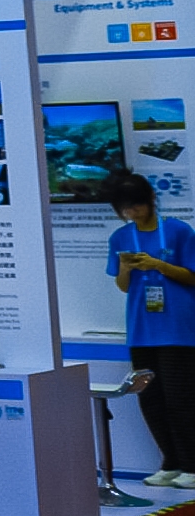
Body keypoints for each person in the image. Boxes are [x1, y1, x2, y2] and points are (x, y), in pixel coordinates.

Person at [106, 171, 195, 486]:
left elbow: (192, 276)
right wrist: (126, 268)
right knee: (150, 399)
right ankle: (170, 462)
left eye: (137, 206)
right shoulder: (120, 238)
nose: (132, 212)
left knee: (180, 398)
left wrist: (158, 265)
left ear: (151, 199)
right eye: (125, 208)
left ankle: (192, 465)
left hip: (178, 330)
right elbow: (123, 286)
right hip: (141, 329)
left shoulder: (178, 231)